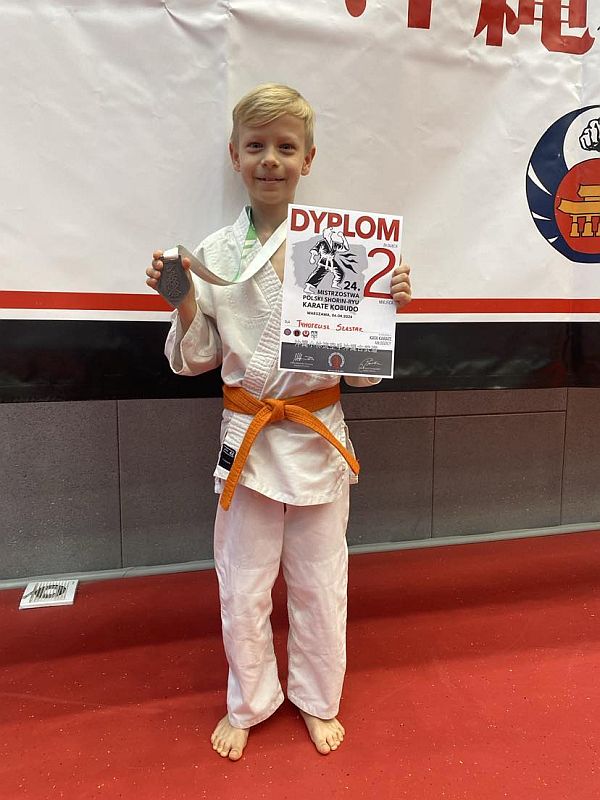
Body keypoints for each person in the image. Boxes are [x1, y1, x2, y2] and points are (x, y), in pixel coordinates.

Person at [146, 84, 412, 761]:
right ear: (234, 156)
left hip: (317, 434)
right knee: (243, 582)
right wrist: (180, 296)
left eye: (286, 147)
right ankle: (250, 700)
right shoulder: (213, 252)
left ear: (308, 159)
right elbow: (197, 360)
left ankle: (318, 698)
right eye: (256, 146)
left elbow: (361, 374)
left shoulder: (340, 246)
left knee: (321, 582)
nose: (271, 159)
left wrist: (384, 308)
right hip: (249, 439)